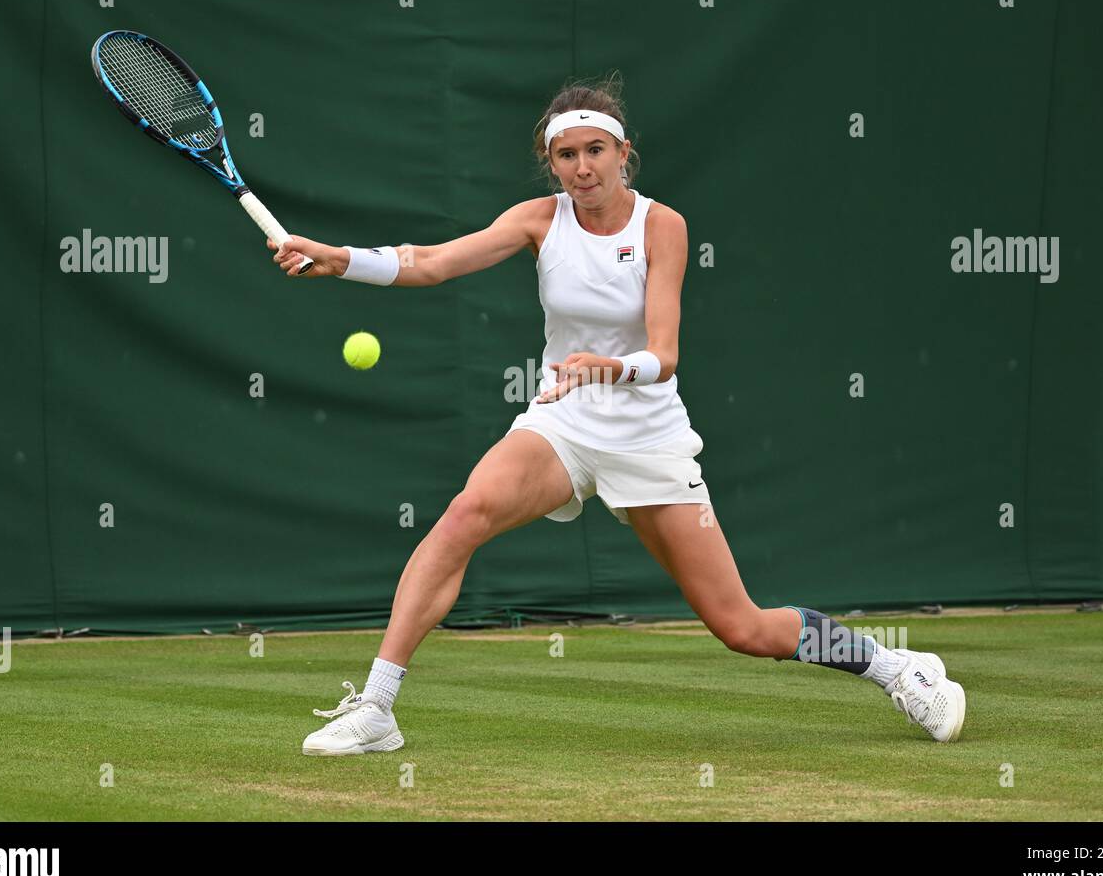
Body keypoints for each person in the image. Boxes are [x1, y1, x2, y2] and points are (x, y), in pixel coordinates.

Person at [267, 75, 966, 754]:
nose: (581, 168)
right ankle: (377, 708)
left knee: (741, 625)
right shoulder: (538, 220)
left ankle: (898, 670)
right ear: (552, 163)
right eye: (565, 156)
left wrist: (604, 367)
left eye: (594, 151)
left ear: (622, 152)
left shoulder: (664, 226)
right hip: (563, 426)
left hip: (648, 437)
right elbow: (433, 262)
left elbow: (663, 354)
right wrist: (341, 259)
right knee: (463, 515)